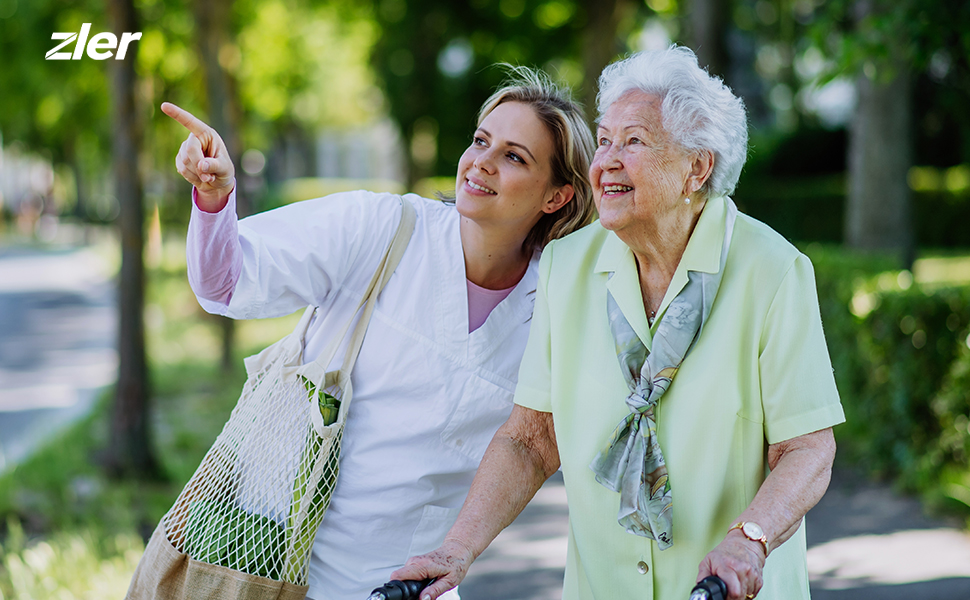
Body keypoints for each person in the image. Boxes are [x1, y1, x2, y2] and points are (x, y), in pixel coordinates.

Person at [393, 45, 846, 600]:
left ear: (696, 168)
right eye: (604, 140)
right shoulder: (568, 265)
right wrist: (455, 549)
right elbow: (532, 439)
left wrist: (750, 538)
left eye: (633, 141)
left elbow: (807, 449)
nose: (606, 159)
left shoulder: (772, 271)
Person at [160, 67, 596, 600]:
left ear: (556, 197)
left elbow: (540, 442)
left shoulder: (554, 305)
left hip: (406, 587)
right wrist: (215, 196)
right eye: (481, 140)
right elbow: (226, 282)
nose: (481, 161)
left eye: (514, 156)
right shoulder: (381, 228)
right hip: (271, 566)